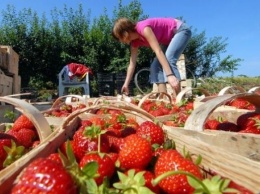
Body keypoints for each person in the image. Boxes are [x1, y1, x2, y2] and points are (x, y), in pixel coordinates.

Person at [112, 17, 191, 95]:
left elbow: (158, 51)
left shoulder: (143, 28)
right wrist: (126, 84)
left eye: (120, 37)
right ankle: (164, 99)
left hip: (180, 30)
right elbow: (132, 64)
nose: (121, 41)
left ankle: (178, 101)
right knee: (155, 67)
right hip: (168, 41)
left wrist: (170, 75)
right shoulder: (134, 43)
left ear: (125, 33)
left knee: (169, 59)